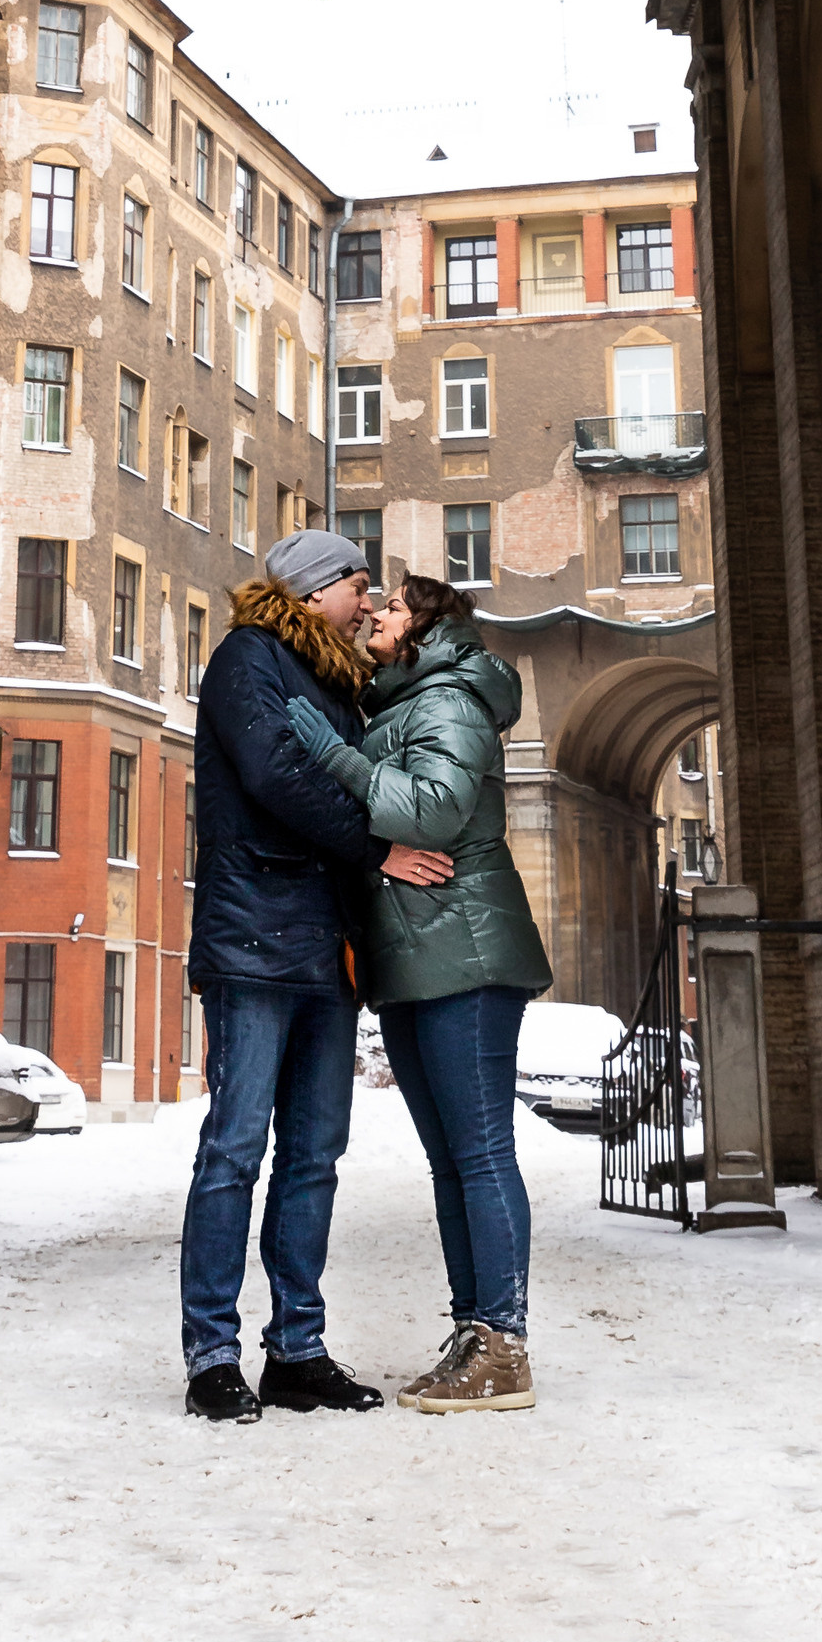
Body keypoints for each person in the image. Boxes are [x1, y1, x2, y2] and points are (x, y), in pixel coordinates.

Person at [179, 525, 454, 1424]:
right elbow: (278, 776)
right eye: (359, 585)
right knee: (233, 1150)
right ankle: (211, 1354)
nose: (371, 602)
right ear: (310, 592)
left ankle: (296, 1349)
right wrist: (380, 847)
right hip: (254, 937)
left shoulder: (336, 680)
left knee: (313, 1159)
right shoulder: (246, 659)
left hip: (323, 945)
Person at [287, 568, 552, 1414]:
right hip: (419, 953)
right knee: (452, 1163)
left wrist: (336, 760)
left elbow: (434, 811)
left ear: (427, 629)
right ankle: (475, 1330)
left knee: (479, 1156)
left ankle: (504, 1346)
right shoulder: (402, 701)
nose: (375, 615)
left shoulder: (448, 700)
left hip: (464, 950)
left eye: (392, 607)